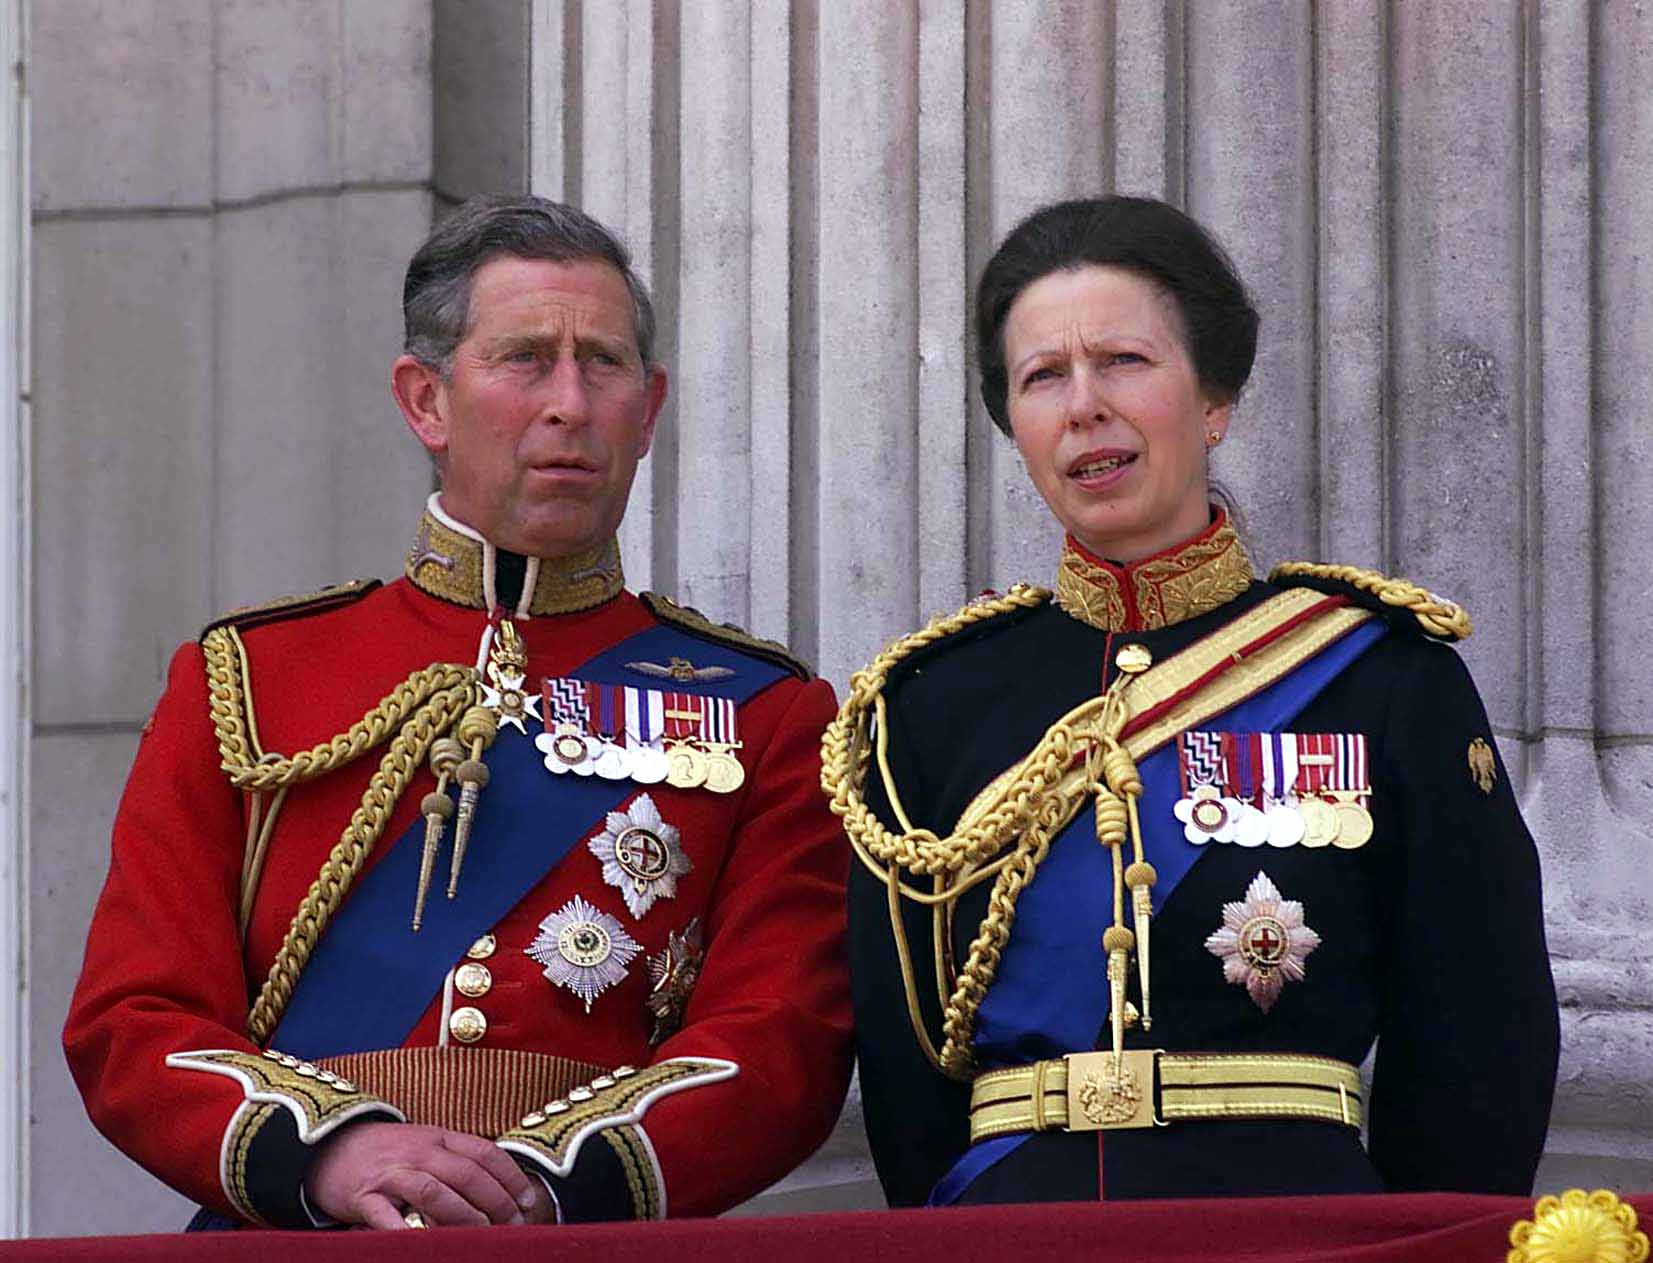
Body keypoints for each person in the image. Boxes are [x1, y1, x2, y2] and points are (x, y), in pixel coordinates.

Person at [64, 195, 852, 1230]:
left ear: (649, 409)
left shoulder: (768, 712)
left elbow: (783, 1039)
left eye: (603, 364)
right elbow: (135, 1017)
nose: (569, 401)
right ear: (424, 400)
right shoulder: (249, 678)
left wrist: (550, 1177)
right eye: (525, 358)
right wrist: (332, 1151)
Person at [823, 195, 1558, 1208]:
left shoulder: (1381, 676)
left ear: (1215, 398)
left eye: (1123, 361)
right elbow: (908, 1080)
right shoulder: (927, 704)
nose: (1084, 405)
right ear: (1018, 427)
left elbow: (1479, 1033)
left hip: (1295, 1227)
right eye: (1044, 377)